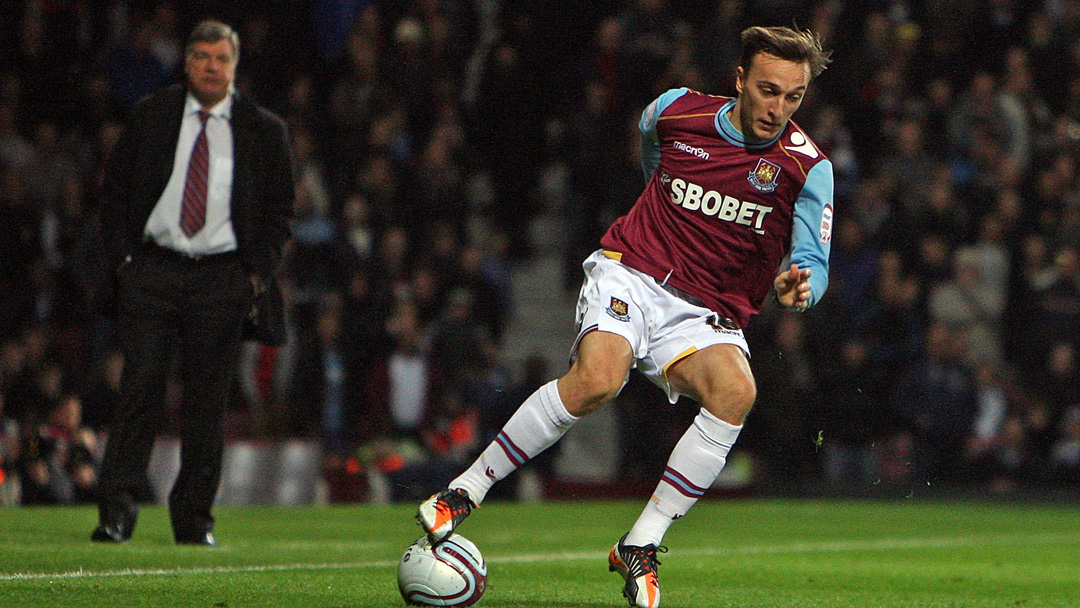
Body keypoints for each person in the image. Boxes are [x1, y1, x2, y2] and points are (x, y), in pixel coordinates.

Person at [417, 25, 833, 608]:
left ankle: (640, 544)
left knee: (737, 392)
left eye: (793, 97)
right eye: (768, 90)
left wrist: (800, 289)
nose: (778, 109)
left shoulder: (807, 167)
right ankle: (464, 491)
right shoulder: (674, 112)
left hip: (706, 310)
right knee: (597, 382)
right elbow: (650, 155)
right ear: (739, 80)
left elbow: (814, 260)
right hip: (633, 272)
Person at [91, 20, 293, 546]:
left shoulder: (264, 129)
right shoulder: (152, 115)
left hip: (222, 278)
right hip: (152, 270)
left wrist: (255, 276)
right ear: (186, 62)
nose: (211, 66)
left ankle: (194, 519)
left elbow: (280, 212)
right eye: (201, 56)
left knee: (208, 403)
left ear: (235, 64)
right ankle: (116, 512)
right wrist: (123, 263)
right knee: (139, 390)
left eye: (220, 58)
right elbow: (112, 194)